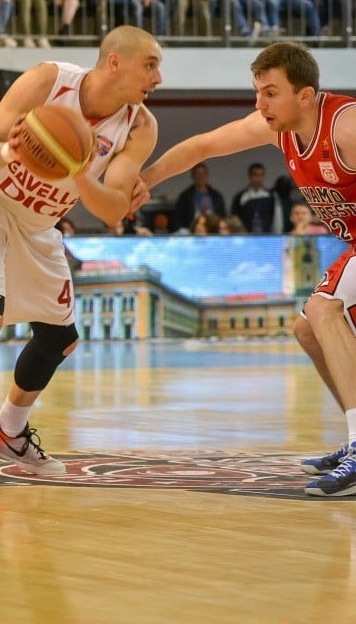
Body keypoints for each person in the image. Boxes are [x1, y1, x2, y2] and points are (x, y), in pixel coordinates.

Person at [0, 25, 163, 493]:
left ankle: (7, 430)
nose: (158, 77)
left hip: (37, 222)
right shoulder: (50, 81)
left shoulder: (140, 126)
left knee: (61, 337)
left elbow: (110, 211)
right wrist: (12, 150)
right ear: (115, 62)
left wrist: (79, 168)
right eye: (150, 64)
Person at [140, 41, 356, 497]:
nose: (259, 104)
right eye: (257, 91)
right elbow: (203, 146)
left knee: (323, 310)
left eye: (270, 93)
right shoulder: (278, 128)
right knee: (308, 329)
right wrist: (144, 180)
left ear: (305, 95)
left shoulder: (347, 126)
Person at [171, 161, 225, 232]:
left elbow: (222, 216)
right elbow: (178, 218)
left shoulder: (216, 196)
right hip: (192, 231)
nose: (201, 176)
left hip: (214, 231)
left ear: (207, 175)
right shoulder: (185, 197)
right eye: (198, 174)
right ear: (193, 176)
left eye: (203, 173)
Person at [230, 161, 281, 232]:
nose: (258, 178)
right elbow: (235, 219)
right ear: (250, 176)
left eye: (261, 174)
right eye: (255, 174)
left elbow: (276, 219)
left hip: (267, 236)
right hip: (246, 236)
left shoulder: (271, 196)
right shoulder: (240, 197)